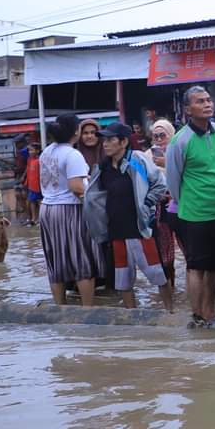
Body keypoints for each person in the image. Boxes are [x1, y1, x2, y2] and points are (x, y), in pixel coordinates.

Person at [84, 123, 173, 310]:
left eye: (110, 140)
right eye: (104, 140)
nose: (105, 144)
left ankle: (170, 311)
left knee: (157, 273)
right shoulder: (103, 168)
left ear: (123, 141)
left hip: (140, 228)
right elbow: (95, 198)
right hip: (116, 229)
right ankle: (131, 316)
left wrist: (147, 204)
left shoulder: (136, 161)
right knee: (122, 278)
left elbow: (159, 184)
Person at [166, 86, 215, 326]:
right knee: (196, 266)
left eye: (208, 100)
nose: (207, 104)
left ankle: (210, 312)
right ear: (187, 109)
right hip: (194, 211)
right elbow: (173, 180)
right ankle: (197, 315)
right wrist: (187, 203)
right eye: (200, 101)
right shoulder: (181, 140)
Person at [39, 114, 104, 306]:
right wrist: (97, 203)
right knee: (82, 259)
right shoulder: (72, 154)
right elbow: (76, 187)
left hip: (47, 209)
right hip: (69, 209)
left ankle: (60, 307)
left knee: (56, 261)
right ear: (76, 131)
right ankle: (87, 310)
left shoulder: (46, 152)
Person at [146, 118, 180, 287]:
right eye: (155, 136)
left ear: (171, 135)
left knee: (187, 247)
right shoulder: (147, 156)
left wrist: (167, 163)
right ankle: (170, 287)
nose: (159, 139)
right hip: (159, 208)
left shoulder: (178, 152)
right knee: (165, 252)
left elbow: (185, 174)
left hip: (180, 204)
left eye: (162, 135)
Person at [25, 142, 42, 226]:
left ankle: (39, 218)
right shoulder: (29, 160)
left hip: (38, 185)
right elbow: (22, 151)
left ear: (37, 151)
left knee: (39, 202)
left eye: (32, 150)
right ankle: (33, 218)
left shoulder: (39, 161)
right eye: (29, 150)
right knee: (31, 201)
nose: (30, 152)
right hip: (31, 185)